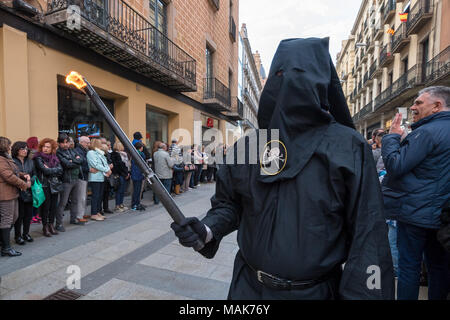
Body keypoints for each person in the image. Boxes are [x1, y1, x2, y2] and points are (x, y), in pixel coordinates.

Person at [170, 38, 394, 299]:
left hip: (314, 293)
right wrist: (207, 230)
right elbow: (229, 205)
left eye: (300, 75)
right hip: (247, 288)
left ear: (319, 81)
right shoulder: (250, 146)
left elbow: (369, 234)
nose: (289, 83)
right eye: (280, 75)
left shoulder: (348, 147)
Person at [381, 86, 450, 300]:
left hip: (416, 214)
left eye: (419, 103)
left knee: (409, 268)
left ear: (437, 106)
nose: (413, 106)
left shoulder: (426, 132)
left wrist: (392, 138)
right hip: (443, 216)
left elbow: (396, 165)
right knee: (438, 268)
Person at [0, 137, 30, 257]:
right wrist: (24, 184)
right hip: (5, 194)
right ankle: (6, 247)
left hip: (12, 193)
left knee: (14, 217)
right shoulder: (1, 159)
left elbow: (13, 172)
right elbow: (8, 176)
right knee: (7, 219)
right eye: (9, 145)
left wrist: (23, 175)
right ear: (3, 146)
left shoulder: (6, 158)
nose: (10, 147)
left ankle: (3, 242)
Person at [34, 138, 63, 237]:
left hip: (54, 185)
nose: (45, 149)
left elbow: (61, 170)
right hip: (44, 185)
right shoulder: (38, 158)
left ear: (52, 149)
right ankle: (45, 226)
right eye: (44, 146)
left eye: (48, 147)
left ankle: (51, 225)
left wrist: (50, 169)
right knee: (46, 207)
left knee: (53, 207)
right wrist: (53, 170)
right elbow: (44, 171)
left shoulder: (54, 157)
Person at [55, 133, 85, 231]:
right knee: (62, 203)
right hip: (66, 180)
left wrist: (73, 161)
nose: (66, 144)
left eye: (67, 142)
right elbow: (67, 164)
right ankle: (58, 223)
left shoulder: (71, 151)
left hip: (76, 178)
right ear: (59, 143)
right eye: (63, 143)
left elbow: (82, 160)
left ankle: (73, 218)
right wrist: (73, 161)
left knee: (75, 201)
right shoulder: (58, 153)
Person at [12, 141, 36, 245]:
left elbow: (35, 174)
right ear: (17, 150)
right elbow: (13, 176)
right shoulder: (12, 161)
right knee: (19, 215)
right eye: (23, 149)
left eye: (26, 149)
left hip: (29, 190)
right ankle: (18, 236)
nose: (25, 151)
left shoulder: (30, 161)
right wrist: (23, 183)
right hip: (18, 191)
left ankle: (26, 233)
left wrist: (31, 181)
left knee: (28, 214)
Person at [87, 138, 111, 221]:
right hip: (95, 178)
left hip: (101, 177)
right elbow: (95, 164)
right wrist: (106, 170)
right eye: (100, 143)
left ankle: (97, 212)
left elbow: (104, 162)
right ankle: (93, 213)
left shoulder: (100, 153)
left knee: (100, 196)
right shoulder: (91, 153)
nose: (101, 145)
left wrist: (108, 169)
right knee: (95, 196)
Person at [74, 136, 91, 222]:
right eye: (87, 143)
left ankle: (82, 213)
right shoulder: (78, 150)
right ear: (82, 142)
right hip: (81, 175)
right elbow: (83, 162)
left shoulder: (84, 150)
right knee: (81, 197)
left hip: (84, 175)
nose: (89, 144)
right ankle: (79, 215)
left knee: (84, 196)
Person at [111, 141, 130, 212]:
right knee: (119, 190)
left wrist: (128, 173)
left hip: (124, 174)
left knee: (122, 190)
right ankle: (117, 205)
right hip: (120, 175)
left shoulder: (124, 154)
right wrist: (125, 173)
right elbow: (120, 166)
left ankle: (121, 204)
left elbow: (127, 165)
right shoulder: (115, 155)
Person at [27, 137, 41, 224]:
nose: (40, 143)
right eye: (38, 141)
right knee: (35, 196)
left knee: (35, 196)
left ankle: (34, 215)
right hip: (35, 177)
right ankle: (33, 215)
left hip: (33, 176)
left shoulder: (31, 153)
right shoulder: (35, 153)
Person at [131, 142, 146, 211]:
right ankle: (136, 204)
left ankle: (135, 204)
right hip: (139, 174)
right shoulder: (141, 154)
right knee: (138, 190)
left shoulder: (133, 153)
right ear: (141, 147)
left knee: (135, 190)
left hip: (134, 173)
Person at [100, 137, 114, 214]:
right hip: (102, 175)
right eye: (103, 143)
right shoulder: (98, 152)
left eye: (105, 143)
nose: (105, 145)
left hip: (108, 175)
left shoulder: (107, 153)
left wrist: (111, 165)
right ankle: (99, 209)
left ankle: (106, 207)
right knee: (101, 193)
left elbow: (110, 161)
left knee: (106, 193)